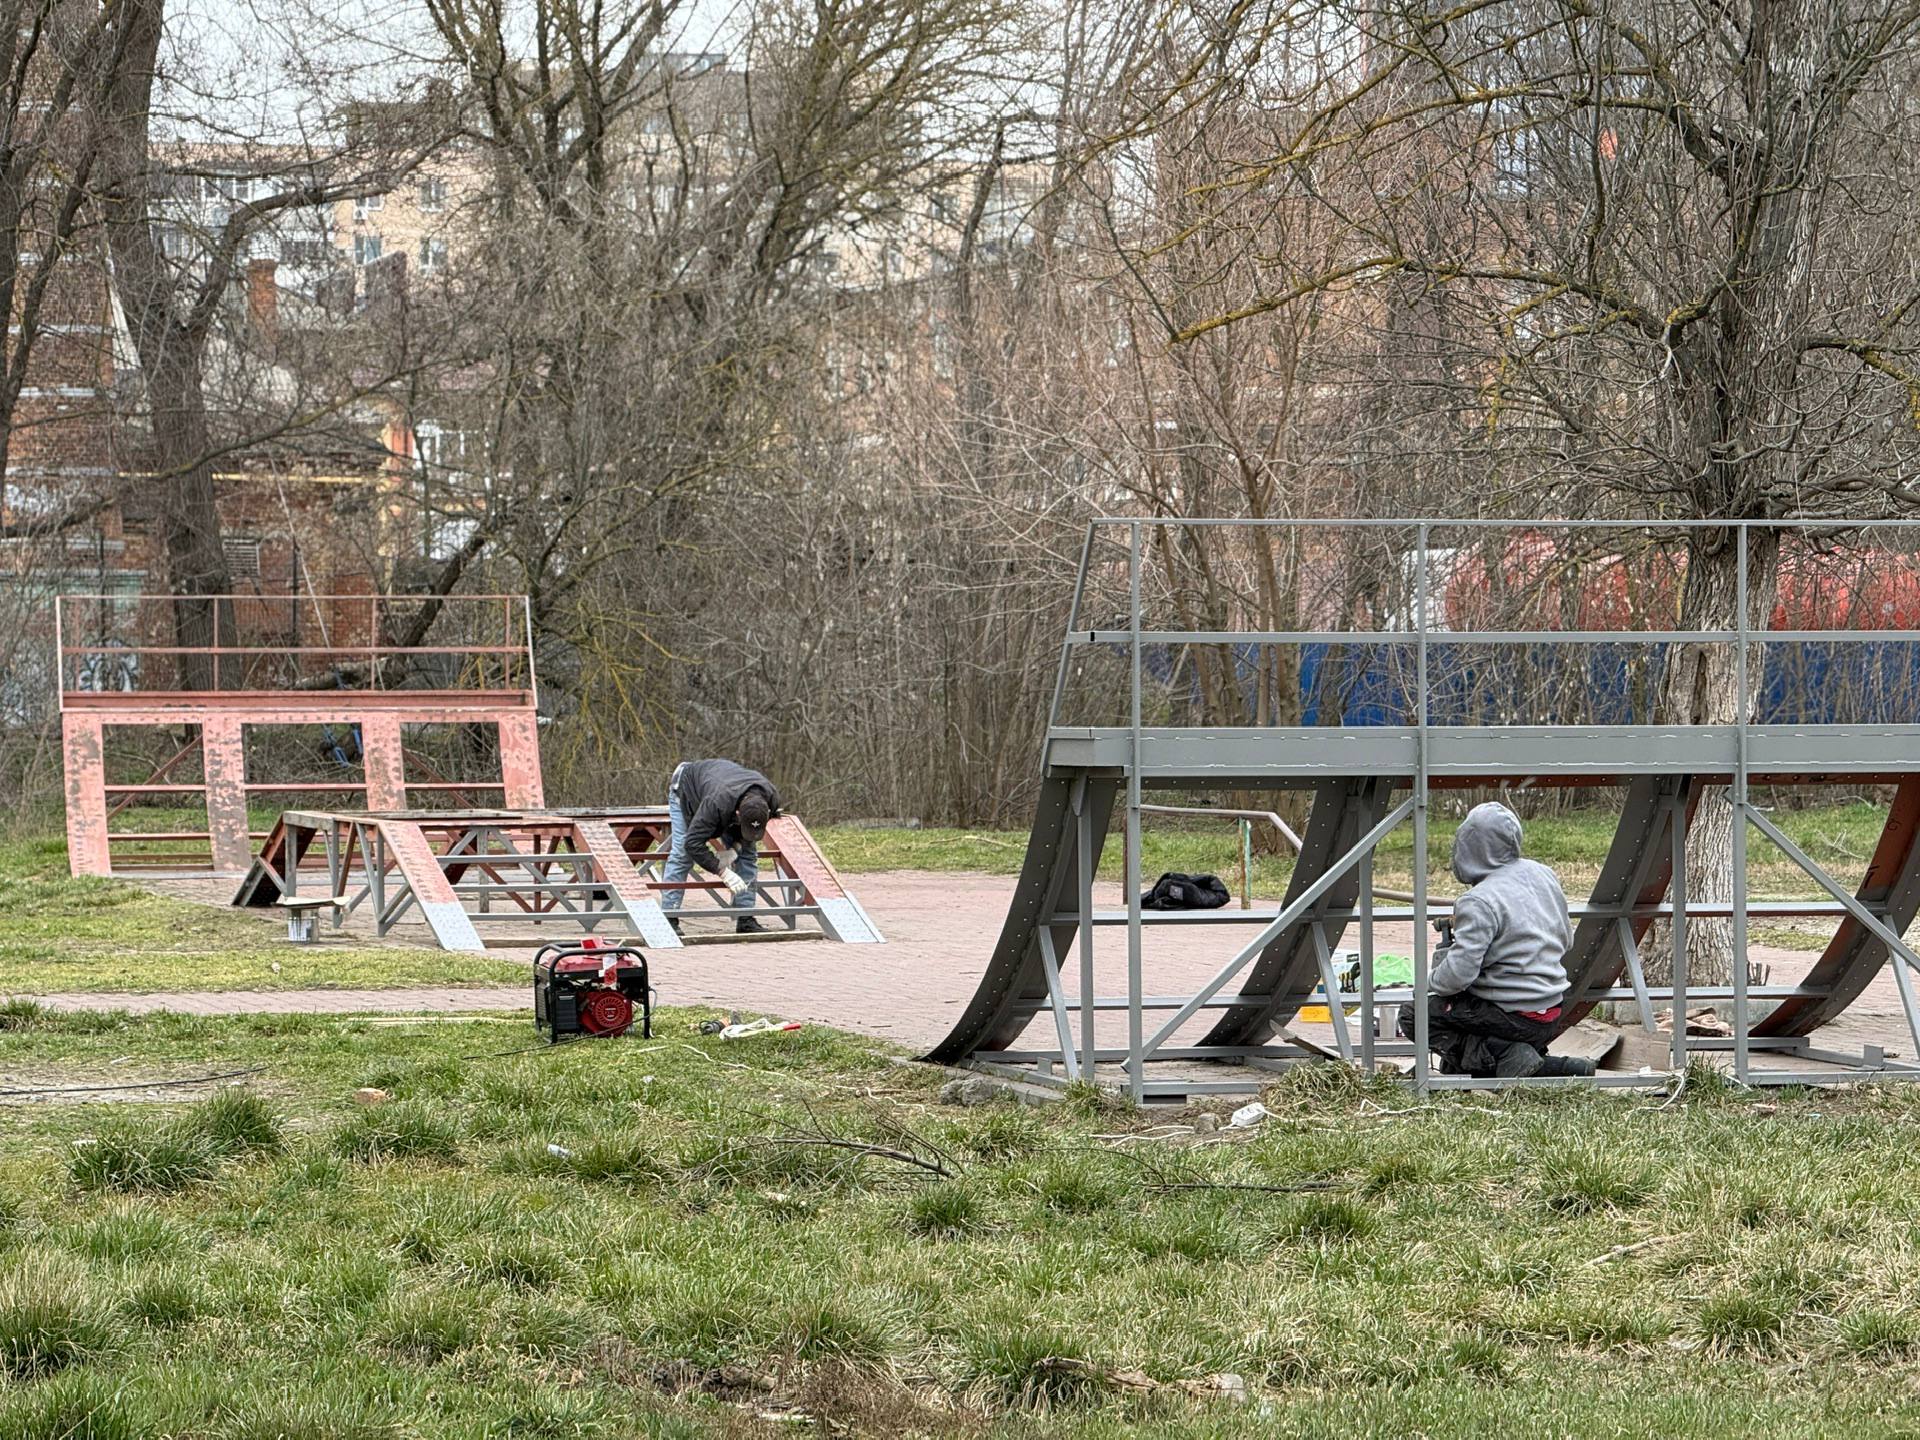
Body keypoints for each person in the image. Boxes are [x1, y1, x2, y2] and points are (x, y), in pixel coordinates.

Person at [1398, 801, 1595, 1079]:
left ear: (1470, 846)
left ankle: (1503, 1054)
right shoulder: (1542, 875)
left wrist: (1426, 983)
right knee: (1469, 1022)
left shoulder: (1478, 900)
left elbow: (1457, 976)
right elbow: (1567, 939)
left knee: (1414, 1014)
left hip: (1511, 1016)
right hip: (1551, 1011)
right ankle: (1552, 1066)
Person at [661, 759, 784, 934]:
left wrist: (736, 848)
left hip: (723, 787)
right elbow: (693, 843)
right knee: (682, 854)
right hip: (686, 786)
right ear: (738, 814)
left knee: (748, 853)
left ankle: (746, 918)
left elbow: (750, 834)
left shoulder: (770, 798)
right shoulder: (715, 803)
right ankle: (669, 917)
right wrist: (721, 871)